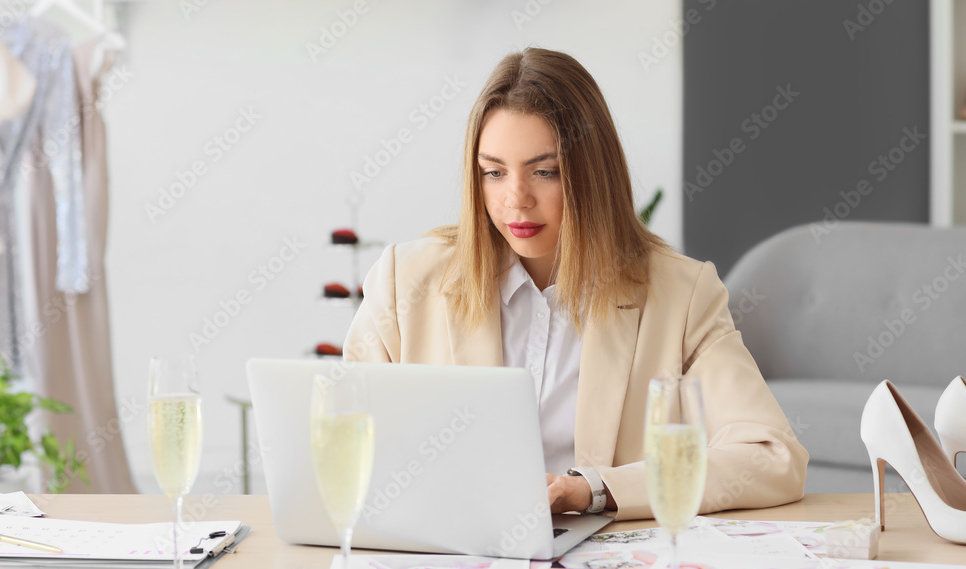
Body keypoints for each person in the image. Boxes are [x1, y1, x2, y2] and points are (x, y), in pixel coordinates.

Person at [343, 47, 808, 520]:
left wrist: (594, 489)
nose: (515, 200)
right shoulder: (407, 280)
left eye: (545, 172)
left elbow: (772, 458)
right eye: (494, 173)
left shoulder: (682, 294)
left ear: (592, 174)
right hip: (445, 553)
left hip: (607, 568)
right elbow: (343, 446)